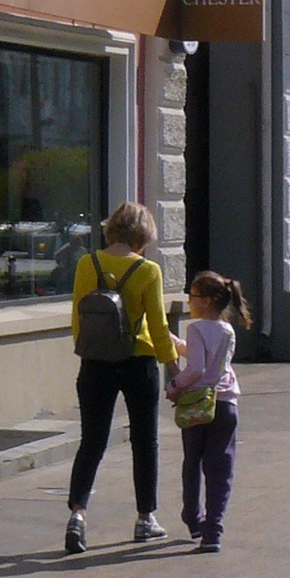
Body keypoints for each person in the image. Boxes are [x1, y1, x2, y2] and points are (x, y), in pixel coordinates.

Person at [63, 203, 178, 554]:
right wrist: (172, 367)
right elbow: (158, 326)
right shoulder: (148, 271)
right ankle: (146, 518)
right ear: (144, 235)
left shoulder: (87, 262)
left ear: (111, 228)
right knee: (145, 442)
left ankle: (78, 516)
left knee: (92, 442)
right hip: (137, 361)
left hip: (95, 362)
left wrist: (89, 350)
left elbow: (77, 318)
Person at [167, 270, 250, 553]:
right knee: (220, 467)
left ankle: (193, 517)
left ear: (207, 301)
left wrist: (175, 385)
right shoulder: (227, 330)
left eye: (193, 296)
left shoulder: (196, 328)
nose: (189, 301)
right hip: (226, 402)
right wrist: (179, 346)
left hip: (198, 404)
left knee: (192, 462)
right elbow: (210, 360)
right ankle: (213, 530)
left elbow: (197, 368)